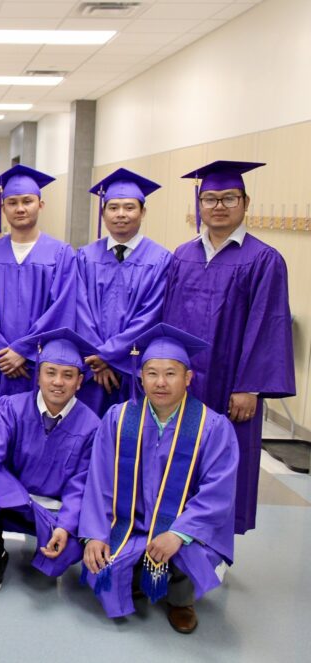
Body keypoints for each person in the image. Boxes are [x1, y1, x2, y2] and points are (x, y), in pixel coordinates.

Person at [161, 160, 294, 535]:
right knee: (177, 460)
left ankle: (213, 553)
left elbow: (269, 325)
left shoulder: (263, 259)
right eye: (210, 199)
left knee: (224, 465)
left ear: (245, 202)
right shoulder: (182, 256)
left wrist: (249, 386)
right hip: (183, 385)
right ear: (199, 204)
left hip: (230, 386)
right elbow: (167, 321)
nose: (219, 206)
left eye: (228, 198)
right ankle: (170, 546)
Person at [79, 324, 239, 633]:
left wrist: (179, 533)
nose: (160, 382)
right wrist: (94, 533)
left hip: (186, 527)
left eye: (171, 373)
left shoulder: (213, 427)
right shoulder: (118, 418)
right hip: (132, 524)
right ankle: (138, 577)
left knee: (187, 550)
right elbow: (99, 481)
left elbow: (217, 492)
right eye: (152, 373)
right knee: (104, 556)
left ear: (188, 378)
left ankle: (181, 600)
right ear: (140, 377)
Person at [0, 328, 100, 591]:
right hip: (11, 498)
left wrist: (65, 526)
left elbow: (81, 485)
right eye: (50, 372)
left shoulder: (92, 427)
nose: (58, 382)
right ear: (38, 375)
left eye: (67, 375)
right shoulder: (10, 408)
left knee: (68, 547)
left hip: (54, 511)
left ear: (79, 382)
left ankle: (51, 543)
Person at [0, 164, 77, 435]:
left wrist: (25, 350)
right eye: (12, 202)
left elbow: (61, 307)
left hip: (37, 366)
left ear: (40, 205)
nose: (20, 208)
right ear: (3, 208)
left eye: (27, 201)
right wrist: (4, 352)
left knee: (32, 435)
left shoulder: (60, 254)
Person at [76, 168, 172, 416]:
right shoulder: (86, 256)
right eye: (113, 207)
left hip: (134, 367)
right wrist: (97, 358)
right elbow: (79, 308)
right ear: (103, 212)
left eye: (129, 207)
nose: (121, 214)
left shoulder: (160, 259)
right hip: (91, 371)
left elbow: (151, 314)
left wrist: (109, 355)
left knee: (131, 438)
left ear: (143, 212)